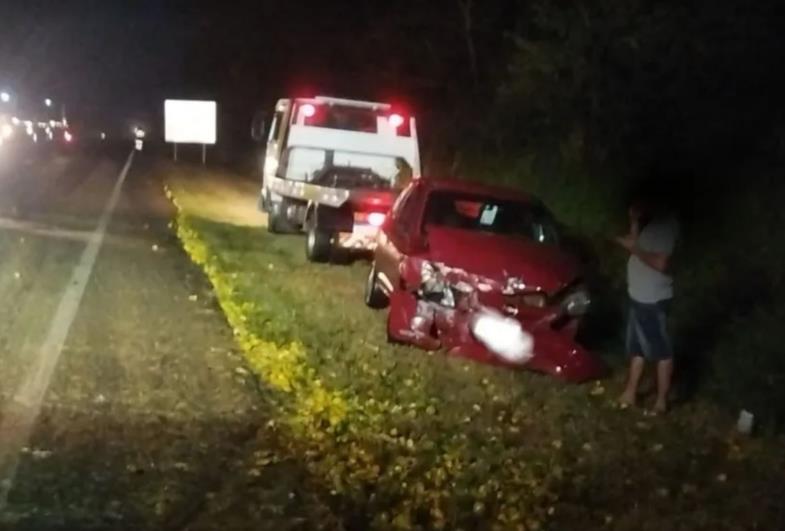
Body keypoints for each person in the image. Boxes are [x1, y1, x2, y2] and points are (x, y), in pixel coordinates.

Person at [616, 196, 679, 413]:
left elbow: (661, 263)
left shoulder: (667, 227)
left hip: (653, 300)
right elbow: (636, 245)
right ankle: (630, 393)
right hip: (638, 297)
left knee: (662, 352)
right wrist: (634, 222)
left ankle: (661, 402)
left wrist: (634, 250)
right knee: (637, 348)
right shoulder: (651, 225)